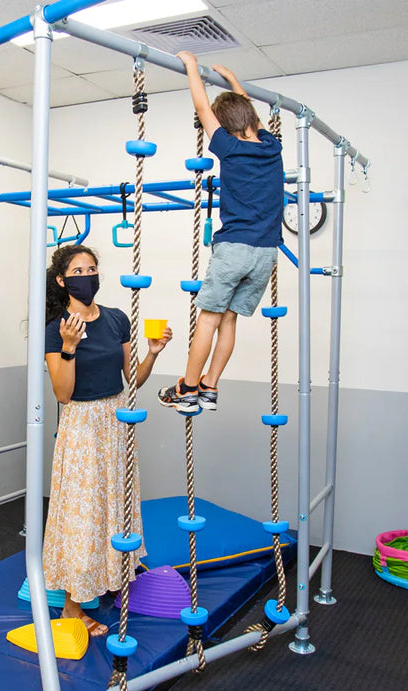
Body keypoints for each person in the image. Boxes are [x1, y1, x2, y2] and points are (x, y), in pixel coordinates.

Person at [43, 244, 173, 635]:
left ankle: (109, 579)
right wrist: (68, 347)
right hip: (82, 424)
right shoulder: (56, 327)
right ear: (63, 281)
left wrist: (152, 353)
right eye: (78, 271)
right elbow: (63, 395)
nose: (88, 276)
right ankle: (72, 607)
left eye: (92, 268)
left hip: (114, 419)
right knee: (82, 513)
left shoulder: (116, 319)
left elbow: (132, 378)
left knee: (113, 504)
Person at [158, 52, 283, 414]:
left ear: (224, 126)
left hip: (235, 250)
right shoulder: (271, 147)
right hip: (266, 253)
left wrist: (192, 68)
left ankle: (187, 388)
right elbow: (252, 117)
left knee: (209, 319)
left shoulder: (228, 147)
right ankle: (210, 387)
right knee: (228, 320)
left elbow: (202, 107)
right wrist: (232, 80)